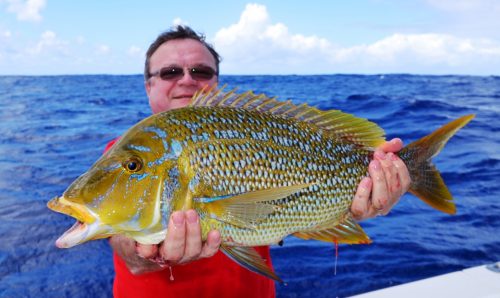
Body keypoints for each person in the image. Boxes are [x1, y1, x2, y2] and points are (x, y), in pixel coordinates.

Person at [107, 25, 411, 298]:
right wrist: (140, 251)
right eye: (170, 72)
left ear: (216, 83)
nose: (187, 80)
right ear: (148, 86)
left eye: (200, 72)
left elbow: (287, 209)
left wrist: (359, 195)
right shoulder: (122, 154)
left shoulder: (252, 129)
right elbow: (117, 234)